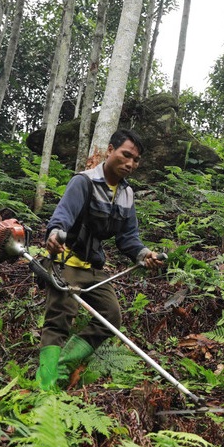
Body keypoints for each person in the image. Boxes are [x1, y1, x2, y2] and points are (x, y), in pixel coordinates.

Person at [36, 129, 165, 391]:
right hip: (66, 263)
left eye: (136, 160)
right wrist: (53, 235)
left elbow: (128, 237)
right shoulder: (83, 182)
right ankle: (45, 385)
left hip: (94, 268)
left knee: (111, 316)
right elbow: (62, 216)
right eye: (125, 155)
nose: (130, 164)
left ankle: (62, 364)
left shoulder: (127, 194)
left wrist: (144, 254)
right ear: (109, 151)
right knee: (59, 321)